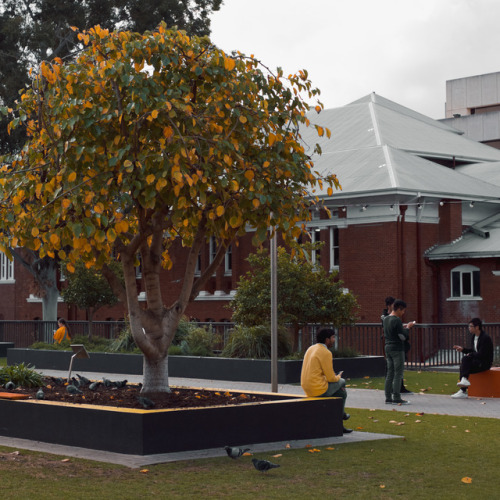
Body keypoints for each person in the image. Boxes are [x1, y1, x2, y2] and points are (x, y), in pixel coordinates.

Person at [301, 328, 352, 433]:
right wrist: (338, 376)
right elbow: (331, 378)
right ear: (327, 339)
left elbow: (316, 372)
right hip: (318, 389)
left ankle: (340, 422)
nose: (334, 340)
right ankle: (341, 415)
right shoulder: (326, 352)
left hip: (307, 387)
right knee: (342, 382)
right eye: (333, 337)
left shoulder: (311, 348)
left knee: (341, 392)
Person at [451, 318, 494, 399]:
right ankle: (463, 386)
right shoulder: (474, 337)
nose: (469, 328)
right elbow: (474, 350)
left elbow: (482, 354)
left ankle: (463, 389)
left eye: (471, 326)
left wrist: (470, 354)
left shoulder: (485, 338)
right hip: (477, 361)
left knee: (465, 361)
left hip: (484, 363)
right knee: (464, 364)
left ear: (477, 327)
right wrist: (463, 349)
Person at [383, 299, 415, 405]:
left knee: (390, 373)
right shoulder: (396, 320)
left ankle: (388, 397)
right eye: (403, 310)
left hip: (388, 347)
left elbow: (393, 331)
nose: (403, 313)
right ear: (399, 309)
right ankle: (396, 397)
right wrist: (408, 328)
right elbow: (402, 337)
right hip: (397, 348)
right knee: (398, 374)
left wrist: (402, 328)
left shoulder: (386, 319)